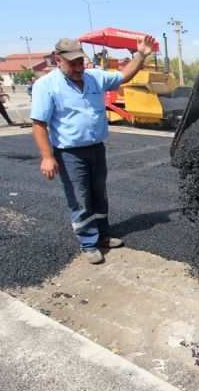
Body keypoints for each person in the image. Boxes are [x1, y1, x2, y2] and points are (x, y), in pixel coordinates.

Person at [30, 36, 156, 264]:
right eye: (73, 64)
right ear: (58, 60)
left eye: (81, 62)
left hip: (97, 149)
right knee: (80, 198)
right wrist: (47, 157)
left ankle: (103, 235)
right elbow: (39, 123)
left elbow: (123, 76)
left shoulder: (94, 78)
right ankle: (88, 242)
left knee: (99, 194)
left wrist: (141, 55)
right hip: (70, 153)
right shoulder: (46, 85)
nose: (79, 68)